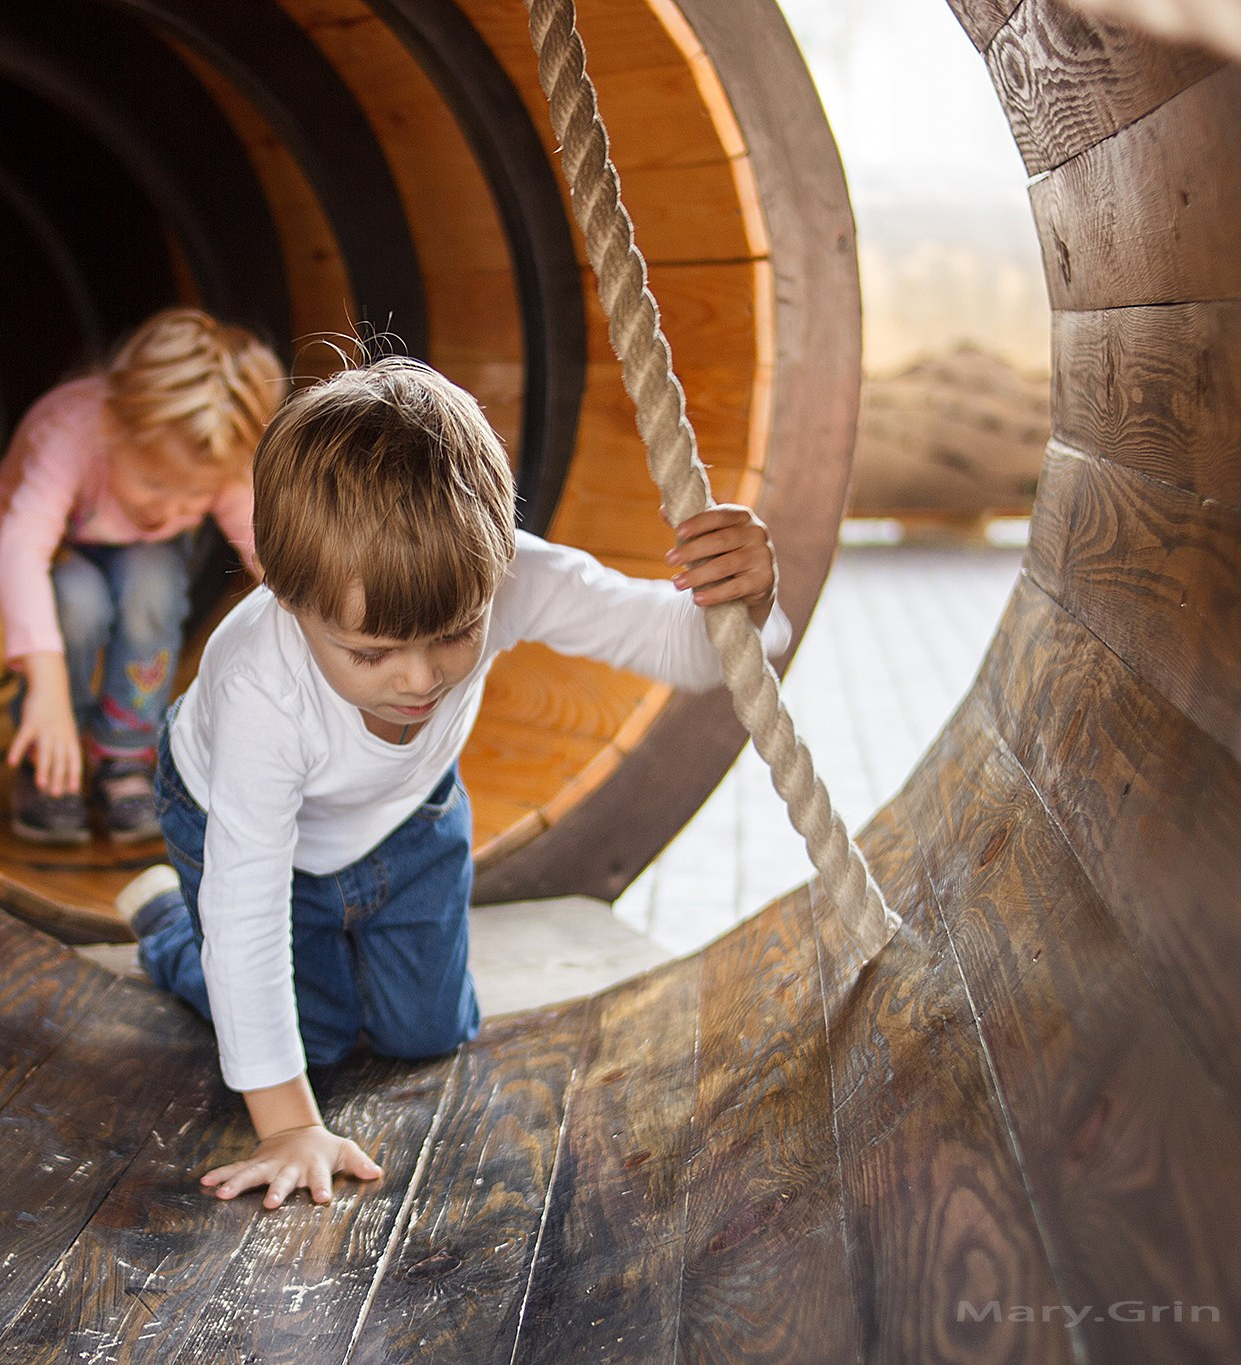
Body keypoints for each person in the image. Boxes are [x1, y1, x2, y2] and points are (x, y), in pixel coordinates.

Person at [114, 357, 791, 1208]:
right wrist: (288, 1124)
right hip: (244, 830)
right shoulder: (261, 685)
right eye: (371, 652)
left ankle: (327, 952)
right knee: (310, 1039)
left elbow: (683, 650)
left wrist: (747, 601)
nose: (419, 678)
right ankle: (170, 927)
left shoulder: (506, 572)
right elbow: (247, 909)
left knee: (428, 1031)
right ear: (285, 596)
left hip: (405, 818)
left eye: (454, 634)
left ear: (496, 560)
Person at [0, 308, 283, 844]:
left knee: (153, 582)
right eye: (155, 483)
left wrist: (318, 618)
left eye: (196, 496)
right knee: (79, 597)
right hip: (27, 548)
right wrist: (45, 688)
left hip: (135, 550)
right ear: (116, 428)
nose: (174, 507)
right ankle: (50, 753)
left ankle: (125, 753)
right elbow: (21, 551)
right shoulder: (71, 431)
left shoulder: (212, 444)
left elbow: (268, 550)